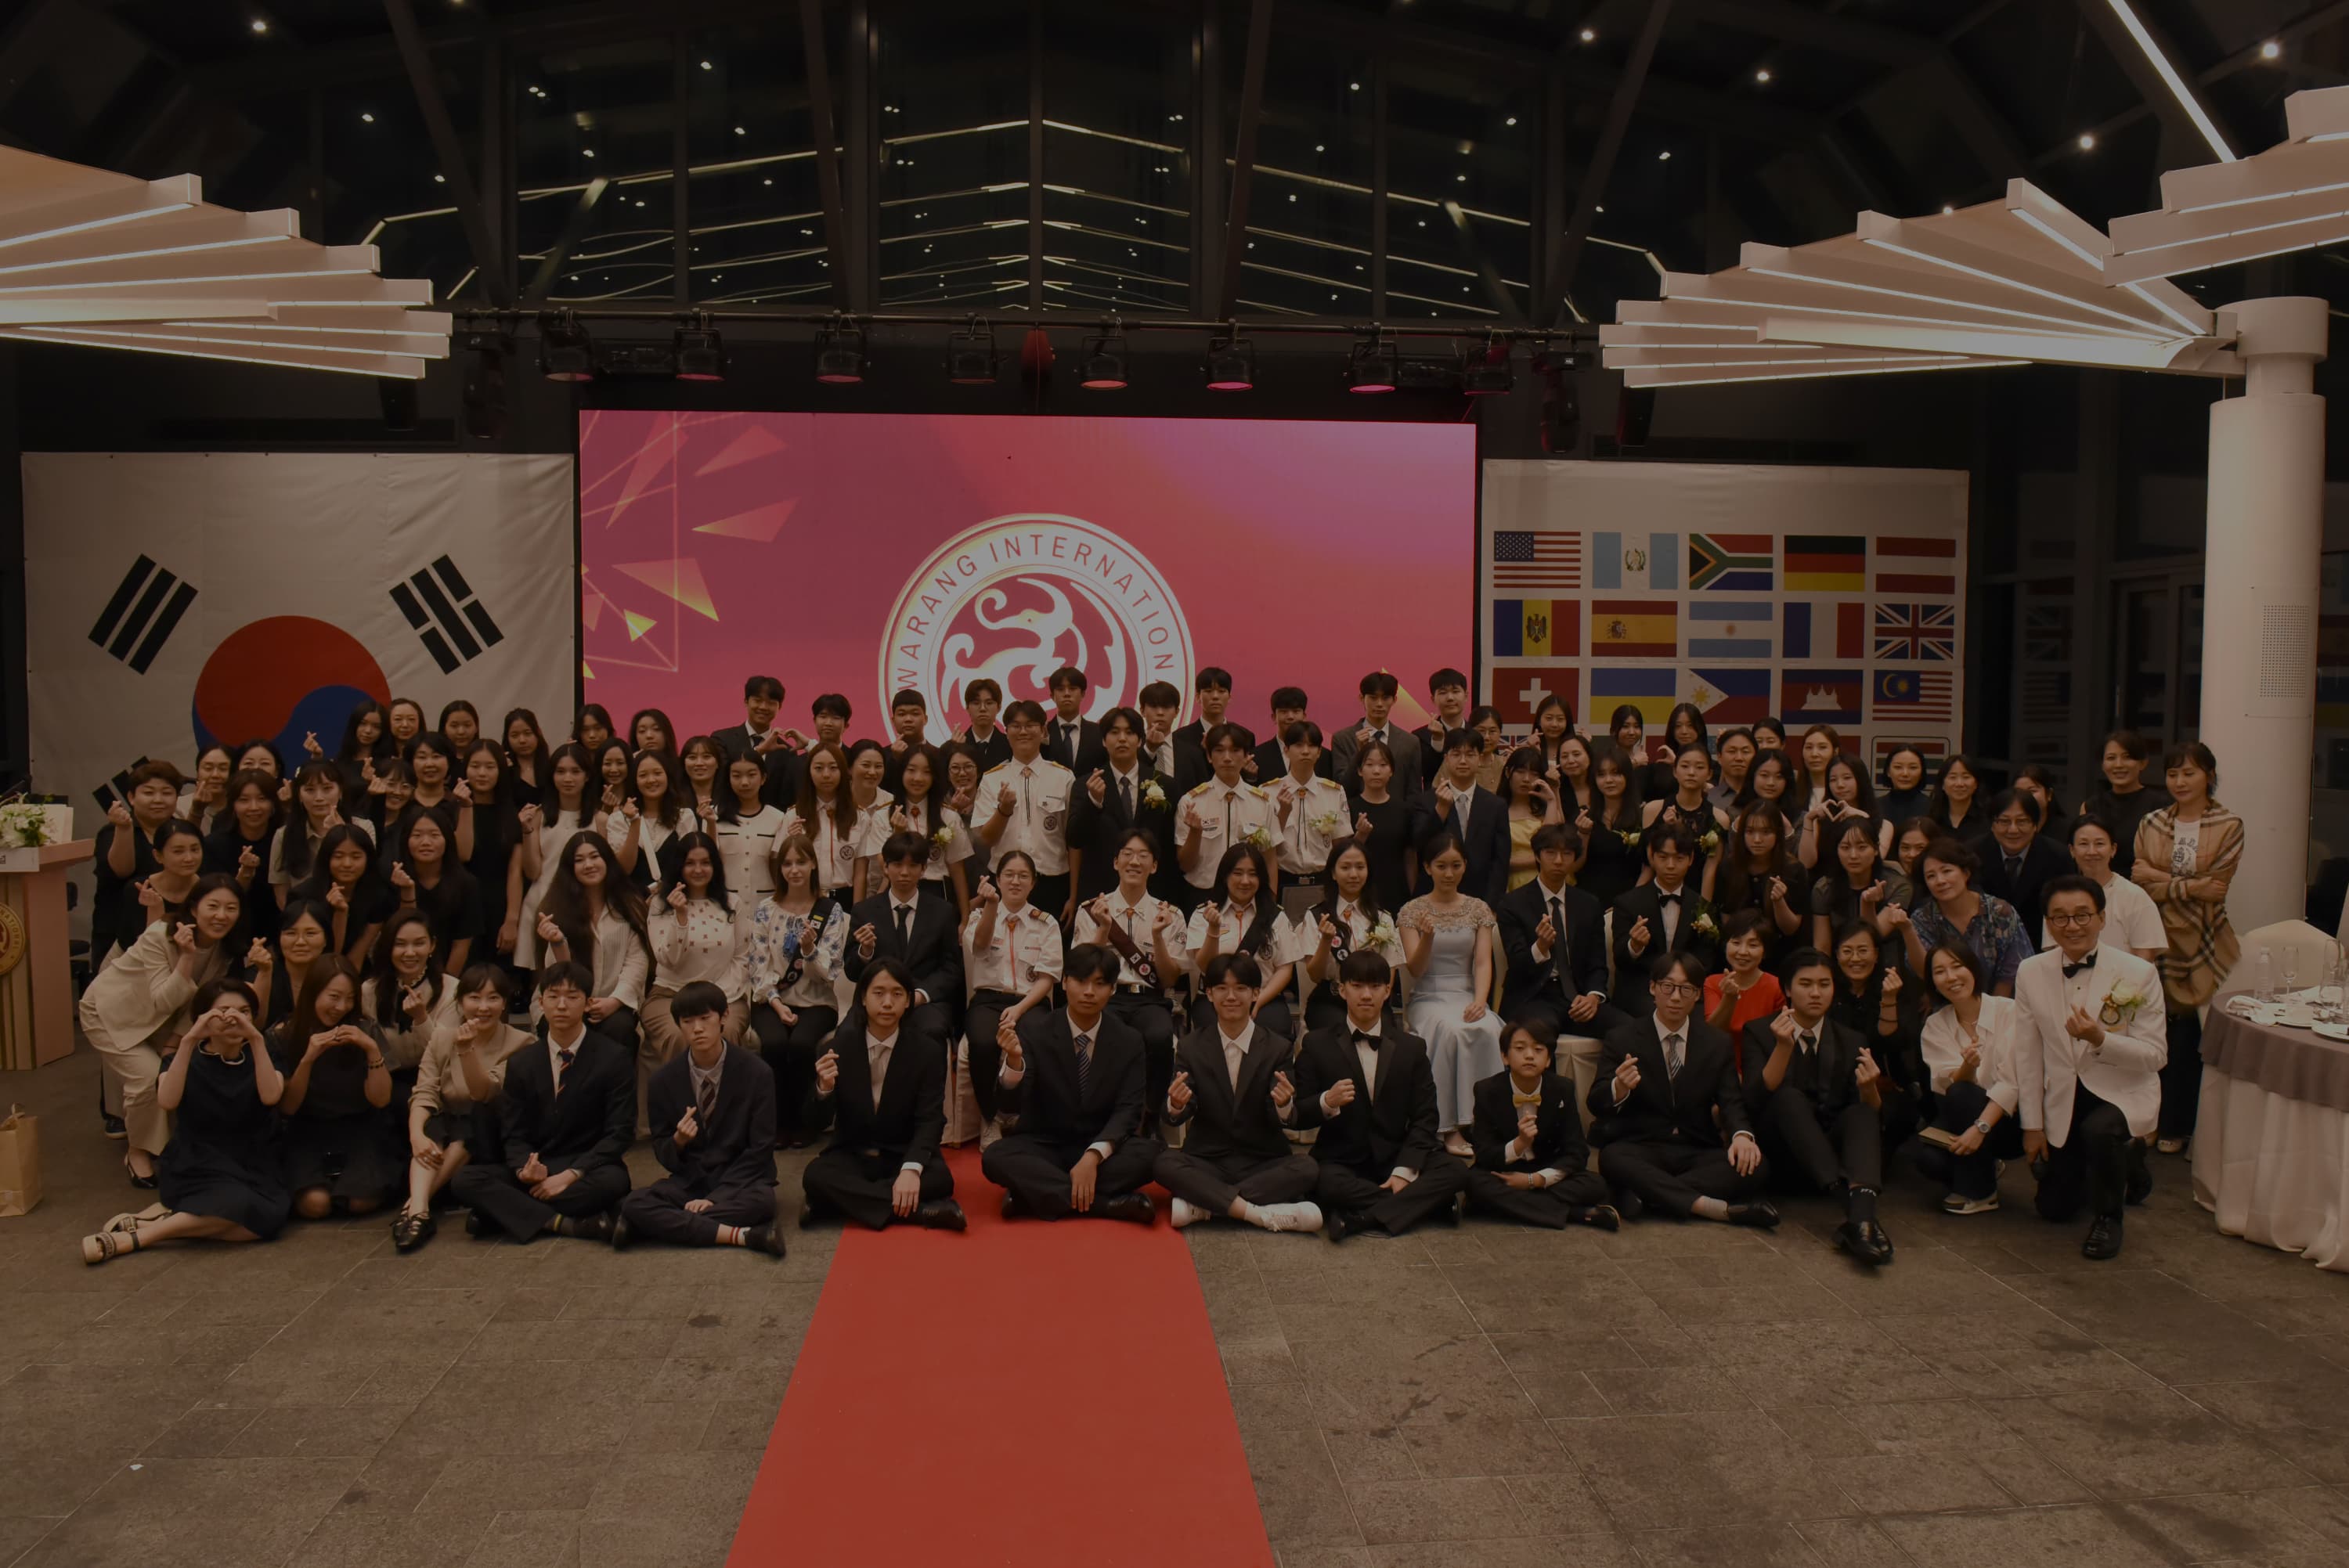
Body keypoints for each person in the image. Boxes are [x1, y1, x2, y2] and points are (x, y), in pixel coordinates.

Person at [81, 979, 289, 1265]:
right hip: (198, 1161)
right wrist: (189, 1039)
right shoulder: (184, 1057)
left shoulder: (264, 1052)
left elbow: (271, 1096)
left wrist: (255, 1039)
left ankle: (159, 1225)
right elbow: (167, 1101)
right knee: (238, 1206)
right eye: (224, 1012)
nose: (234, 1019)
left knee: (269, 1221)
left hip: (253, 1159)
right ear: (203, 1018)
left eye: (244, 1012)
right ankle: (135, 1239)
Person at [2015, 877, 2165, 1260]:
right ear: (2048, 923)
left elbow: (2155, 1055)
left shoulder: (2138, 973)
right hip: (2066, 1094)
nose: (2072, 926)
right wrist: (2032, 1126)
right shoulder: (2031, 971)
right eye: (2061, 918)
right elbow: (2028, 1054)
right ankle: (2126, 1164)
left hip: (2121, 1091)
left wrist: (2101, 1039)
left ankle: (2109, 1218)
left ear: (2101, 918)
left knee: (2099, 1132)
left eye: (2082, 915)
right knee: (2054, 1210)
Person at [1286, 950, 1470, 1241]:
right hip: (1343, 1160)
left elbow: (1426, 1117)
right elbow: (1297, 1115)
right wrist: (1327, 1102)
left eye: (1375, 987)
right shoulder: (1317, 1043)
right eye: (1358, 986)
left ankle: (1361, 1218)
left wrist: (1404, 1171)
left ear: (1387, 991)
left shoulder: (1412, 1048)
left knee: (1456, 1171)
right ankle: (1427, 1207)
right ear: (1342, 989)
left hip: (1397, 1154)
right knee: (1322, 1182)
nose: (1366, 995)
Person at [449, 961, 634, 1243]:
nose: (562, 1005)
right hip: (539, 1166)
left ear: (588, 1003)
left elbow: (619, 1133)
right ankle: (562, 1223)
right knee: (466, 1180)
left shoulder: (613, 1057)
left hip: (587, 1167)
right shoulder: (522, 1062)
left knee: (615, 1183)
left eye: (572, 997)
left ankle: (500, 1214)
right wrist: (525, 1169)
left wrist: (569, 1176)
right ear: (540, 1002)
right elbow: (513, 1132)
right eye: (553, 996)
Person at [1586, 952, 1775, 1227]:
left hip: (1695, 1148)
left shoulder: (1716, 1043)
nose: (1676, 997)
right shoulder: (1623, 1037)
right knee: (1613, 1158)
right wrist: (1619, 1087)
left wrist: (1742, 1135)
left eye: (1686, 989)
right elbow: (1596, 1102)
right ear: (1653, 988)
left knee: (1756, 1165)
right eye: (1668, 987)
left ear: (1697, 994)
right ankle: (1711, 1208)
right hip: (1642, 1146)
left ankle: (1644, 1193)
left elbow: (1731, 1101)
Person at [80, 875, 244, 1186]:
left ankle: (174, 1147)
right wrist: (186, 957)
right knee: (146, 1079)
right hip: (109, 1012)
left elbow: (202, 1004)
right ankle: (138, 1151)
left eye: (231, 908)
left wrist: (176, 1042)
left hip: (160, 1021)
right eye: (213, 906)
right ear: (194, 909)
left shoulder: (226, 950)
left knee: (178, 1072)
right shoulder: (160, 935)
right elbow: (163, 999)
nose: (221, 915)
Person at [982, 943, 1162, 1222]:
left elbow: (1129, 1112)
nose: (1089, 992)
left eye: (1100, 984)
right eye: (1080, 981)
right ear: (1064, 982)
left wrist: (1092, 1157)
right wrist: (1015, 1064)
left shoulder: (1129, 1040)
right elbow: (1008, 1107)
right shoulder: (1036, 1031)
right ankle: (1108, 1205)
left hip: (1101, 1147)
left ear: (1113, 989)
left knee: (1154, 1155)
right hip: (1045, 1144)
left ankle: (1034, 1196)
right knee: (994, 1157)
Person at [1738, 948, 1894, 1263]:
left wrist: (1869, 1091)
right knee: (1788, 1097)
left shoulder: (1850, 1039)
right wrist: (1783, 1048)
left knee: (1863, 1110)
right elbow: (1753, 1100)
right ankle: (1855, 1210)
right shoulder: (1759, 1031)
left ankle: (1860, 1221)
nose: (1815, 993)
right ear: (1787, 989)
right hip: (1780, 1152)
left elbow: (1866, 1120)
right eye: (1805, 984)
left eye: (1824, 984)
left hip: (1830, 1152)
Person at [614, 980, 788, 1253]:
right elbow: (662, 1150)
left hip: (740, 1178)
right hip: (691, 1179)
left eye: (705, 1018)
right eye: (687, 1021)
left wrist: (717, 1198)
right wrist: (679, 1141)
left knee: (762, 1203)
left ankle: (654, 1226)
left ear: (724, 1017)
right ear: (679, 1025)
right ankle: (741, 1235)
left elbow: (761, 1148)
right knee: (634, 1203)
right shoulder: (663, 1080)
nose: (697, 1029)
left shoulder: (757, 1073)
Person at [1155, 953, 1324, 1232]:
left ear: (1256, 993)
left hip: (1261, 1160)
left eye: (1241, 988)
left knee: (1308, 1169)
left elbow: (1285, 1118)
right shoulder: (1191, 1046)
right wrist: (1175, 1105)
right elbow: (1178, 1113)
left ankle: (1208, 1206)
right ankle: (1256, 1214)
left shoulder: (1278, 1047)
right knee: (1163, 1162)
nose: (1231, 996)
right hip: (1207, 1159)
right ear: (1209, 994)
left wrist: (1283, 1106)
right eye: (1221, 988)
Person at [2132, 741, 2240, 1155]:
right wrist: (2193, 885)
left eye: (2190, 773)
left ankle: (2178, 1124)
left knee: (2188, 1039)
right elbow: (2140, 880)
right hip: (2154, 938)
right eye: (2174, 774)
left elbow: (2218, 890)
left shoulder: (2229, 825)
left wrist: (2162, 879)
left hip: (2203, 941)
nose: (2180, 782)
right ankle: (2145, 1120)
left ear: (2209, 776)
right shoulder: (2153, 822)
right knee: (2150, 1030)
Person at [801, 961, 963, 1232]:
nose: (888, 1002)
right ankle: (920, 1212)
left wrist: (911, 1170)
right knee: (815, 1175)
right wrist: (824, 1089)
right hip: (853, 1153)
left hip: (901, 1150)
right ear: (863, 998)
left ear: (908, 1001)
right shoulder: (834, 1049)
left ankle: (834, 1204)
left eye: (897, 994)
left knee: (940, 1179)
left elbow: (931, 1119)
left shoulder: (927, 1051)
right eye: (879, 993)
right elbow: (813, 1123)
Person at [396, 964, 531, 1250]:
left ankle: (413, 1207)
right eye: (474, 998)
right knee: (430, 1122)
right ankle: (419, 1209)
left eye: (493, 998)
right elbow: (425, 1090)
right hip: (444, 1127)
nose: (483, 1007)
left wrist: (466, 1050)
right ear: (460, 1003)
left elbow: (485, 1092)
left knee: (472, 1120)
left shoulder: (522, 1043)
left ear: (505, 1003)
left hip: (489, 1131)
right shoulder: (441, 1037)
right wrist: (416, 1135)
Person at [1072, 830, 1188, 1126]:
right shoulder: (1091, 910)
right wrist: (1102, 929)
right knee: (1103, 1036)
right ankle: (1098, 1116)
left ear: (1155, 866)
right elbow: (1082, 969)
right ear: (1115, 862)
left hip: (1149, 1001)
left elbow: (1170, 977)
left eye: (1143, 856)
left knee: (1160, 1037)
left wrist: (1159, 937)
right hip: (1103, 999)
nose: (1134, 861)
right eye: (1127, 854)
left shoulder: (1170, 914)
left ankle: (1150, 1116)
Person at [271, 956, 400, 1220]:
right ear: (313, 992)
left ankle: (348, 1187)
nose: (341, 1007)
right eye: (333, 996)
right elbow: (288, 1107)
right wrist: (308, 1059)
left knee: (360, 1203)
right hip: (307, 1128)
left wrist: (371, 1050)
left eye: (350, 998)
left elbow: (381, 1099)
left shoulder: (366, 1029)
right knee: (315, 1205)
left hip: (361, 1126)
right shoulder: (282, 1034)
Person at [1399, 832, 1504, 1157]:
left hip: (1468, 993)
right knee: (1449, 1031)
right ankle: (1448, 1127)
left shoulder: (1479, 909)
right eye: (1441, 866)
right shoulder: (1411, 911)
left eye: (1455, 865)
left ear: (1465, 867)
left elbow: (1484, 962)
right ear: (1428, 868)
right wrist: (1428, 938)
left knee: (1488, 1028)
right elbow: (1415, 969)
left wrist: (1480, 1000)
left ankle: (1488, 1122)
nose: (1448, 873)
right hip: (1428, 996)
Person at [743, 832, 850, 1148]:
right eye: (787, 864)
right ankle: (777, 1123)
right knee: (774, 1044)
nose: (794, 870)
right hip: (771, 1000)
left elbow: (827, 973)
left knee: (803, 1045)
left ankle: (807, 1121)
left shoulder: (831, 912)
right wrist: (776, 1004)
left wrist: (809, 950)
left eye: (801, 862)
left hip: (816, 1001)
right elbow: (757, 964)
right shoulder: (766, 909)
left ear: (813, 865)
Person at [1466, 1016, 1616, 1230]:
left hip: (1546, 1171)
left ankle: (1504, 1206)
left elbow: (1577, 1152)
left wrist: (1534, 1180)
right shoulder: (1486, 1090)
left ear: (1548, 1060)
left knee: (1596, 1184)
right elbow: (1485, 1153)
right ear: (1504, 1056)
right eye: (1520, 1048)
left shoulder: (1562, 1088)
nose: (1529, 1056)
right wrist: (1518, 1145)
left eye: (1538, 1050)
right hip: (1505, 1171)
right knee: (1474, 1183)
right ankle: (1576, 1214)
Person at [642, 834, 749, 1131]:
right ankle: (682, 1121)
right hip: (669, 994)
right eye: (690, 863)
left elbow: (742, 957)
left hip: (725, 994)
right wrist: (680, 917)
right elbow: (667, 959)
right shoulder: (660, 905)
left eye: (705, 862)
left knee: (722, 1033)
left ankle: (728, 1123)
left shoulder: (732, 903)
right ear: (679, 866)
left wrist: (721, 999)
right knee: (680, 1037)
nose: (698, 869)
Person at [1910, 942, 2025, 1214]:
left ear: (1973, 969)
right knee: (1928, 1159)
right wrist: (1967, 1067)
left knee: (1963, 1094)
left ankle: (1981, 1193)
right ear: (1933, 982)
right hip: (1962, 1111)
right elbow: (1946, 1084)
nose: (1950, 977)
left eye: (1957, 966)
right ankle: (1985, 1166)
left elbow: (2014, 1083)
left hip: (2010, 1119)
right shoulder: (1936, 1025)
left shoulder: (2010, 1012)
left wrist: (1980, 1129)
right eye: (1939, 972)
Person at [1496, 824, 1620, 1076]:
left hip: (1577, 996)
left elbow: (1598, 963)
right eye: (1551, 852)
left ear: (1575, 858)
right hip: (1534, 996)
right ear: (1538, 855)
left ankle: (1607, 1097)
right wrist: (1540, 948)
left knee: (1628, 1030)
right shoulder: (1513, 903)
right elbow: (1517, 966)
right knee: (1538, 1037)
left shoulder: (1588, 904)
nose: (1558, 860)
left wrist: (1594, 997)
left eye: (1566, 854)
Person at [963, 851, 1065, 1139]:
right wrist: (992, 907)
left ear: (1033, 882)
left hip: (1030, 1001)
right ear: (998, 879)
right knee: (982, 1043)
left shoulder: (1047, 924)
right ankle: (990, 1118)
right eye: (1009, 875)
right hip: (988, 1000)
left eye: (1023, 876)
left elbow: (1047, 979)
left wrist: (1020, 1009)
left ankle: (1024, 1116)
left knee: (1036, 1038)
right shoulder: (979, 918)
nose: (1015, 881)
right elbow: (980, 947)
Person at [532, 831, 651, 1047]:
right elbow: (556, 974)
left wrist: (614, 1001)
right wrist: (557, 943)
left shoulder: (630, 905)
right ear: (570, 868)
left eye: (595, 857)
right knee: (555, 1026)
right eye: (579, 860)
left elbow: (637, 963)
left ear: (607, 860)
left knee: (620, 1028)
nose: (589, 865)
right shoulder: (554, 909)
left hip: (615, 1000)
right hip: (564, 1001)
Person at [844, 831, 965, 1041]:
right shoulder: (864, 911)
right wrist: (865, 951)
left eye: (913, 866)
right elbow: (852, 972)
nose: (904, 873)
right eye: (897, 865)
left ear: (924, 869)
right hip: (877, 1000)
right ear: (885, 868)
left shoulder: (943, 912)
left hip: (924, 1000)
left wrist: (920, 995)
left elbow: (952, 969)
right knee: (847, 1033)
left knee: (932, 1031)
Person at [974, 701, 1077, 921]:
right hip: (1004, 882)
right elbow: (986, 839)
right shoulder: (992, 779)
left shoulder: (1064, 777)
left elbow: (1074, 841)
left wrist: (1074, 894)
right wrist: (1003, 810)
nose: (1023, 731)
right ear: (1006, 732)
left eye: (1030, 725)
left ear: (1043, 731)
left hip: (1052, 881)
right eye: (1015, 726)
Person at [1189, 843, 1301, 1042]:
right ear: (1225, 876)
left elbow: (1285, 969)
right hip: (1216, 999)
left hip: (1264, 998)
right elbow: (1205, 966)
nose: (1245, 881)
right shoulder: (1203, 914)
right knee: (1210, 1036)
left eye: (1253, 874)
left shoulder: (1276, 917)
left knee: (1277, 1032)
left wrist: (1257, 1001)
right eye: (1238, 873)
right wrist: (1213, 930)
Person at [1895, 837, 2033, 997]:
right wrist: (1907, 930)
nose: (1940, 881)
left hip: (2003, 1007)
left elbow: (2010, 974)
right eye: (1931, 876)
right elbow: (1924, 972)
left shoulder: (2000, 911)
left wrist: (1991, 1015)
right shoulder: (1923, 919)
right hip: (1947, 1006)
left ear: (1966, 873)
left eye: (1946, 871)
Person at [1609, 821, 1723, 1013]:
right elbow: (1621, 960)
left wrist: (1679, 986)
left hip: (1687, 991)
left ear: (1691, 859)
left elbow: (1706, 962)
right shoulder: (1627, 903)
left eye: (1679, 858)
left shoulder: (1704, 907)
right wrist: (1634, 946)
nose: (1670, 865)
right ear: (1651, 857)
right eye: (1663, 857)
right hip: (1641, 989)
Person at [1066, 706, 1174, 906]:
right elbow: (1075, 839)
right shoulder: (1085, 784)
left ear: (1140, 740)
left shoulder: (1164, 784)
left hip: (1153, 894)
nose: (1122, 739)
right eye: (1114, 732)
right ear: (1103, 740)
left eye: (1130, 732)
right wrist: (1093, 802)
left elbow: (1170, 843)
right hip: (1100, 893)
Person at [1299, 841, 1405, 1033]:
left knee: (1387, 1034)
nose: (1353, 874)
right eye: (1345, 867)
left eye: (1360, 867)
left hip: (1372, 1000)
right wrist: (1325, 941)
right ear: (1333, 873)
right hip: (1330, 1000)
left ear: (1368, 872)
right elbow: (1314, 975)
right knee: (1340, 1034)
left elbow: (1390, 972)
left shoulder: (1383, 918)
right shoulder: (1316, 916)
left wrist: (1374, 1000)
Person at [1177, 722, 1276, 910]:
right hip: (1203, 897)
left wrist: (1270, 902)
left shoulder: (1264, 802)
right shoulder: (1191, 802)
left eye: (1235, 750)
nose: (1227, 758)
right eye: (1219, 751)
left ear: (1247, 756)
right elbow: (1185, 865)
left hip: (1251, 897)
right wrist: (1195, 833)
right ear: (1208, 756)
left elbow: (1270, 857)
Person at [93, 759, 182, 967]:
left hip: (172, 936)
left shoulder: (181, 831)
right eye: (149, 793)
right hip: (119, 936)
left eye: (167, 793)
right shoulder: (112, 831)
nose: (158, 799)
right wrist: (123, 829)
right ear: (131, 798)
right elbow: (122, 871)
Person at [513, 744, 590, 970]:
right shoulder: (538, 816)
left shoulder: (601, 818)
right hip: (541, 902)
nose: (568, 778)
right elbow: (533, 871)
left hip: (584, 906)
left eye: (575, 771)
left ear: (587, 777)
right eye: (561, 771)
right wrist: (526, 831)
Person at [1409, 730, 1508, 903]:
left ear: (1479, 758)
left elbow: (1500, 862)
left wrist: (1491, 905)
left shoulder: (1496, 805)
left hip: (1480, 899)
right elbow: (1418, 845)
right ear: (1446, 758)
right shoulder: (1425, 801)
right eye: (1456, 754)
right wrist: (1441, 809)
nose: (1463, 761)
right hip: (1433, 897)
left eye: (1470, 754)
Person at [2049, 813, 2164, 963]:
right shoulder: (2059, 897)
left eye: (2099, 844)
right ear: (2072, 850)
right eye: (2084, 844)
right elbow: (2053, 953)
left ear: (2113, 849)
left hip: (2123, 983)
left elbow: (2145, 957)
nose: (2091, 852)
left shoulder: (2135, 897)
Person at [361, 910, 459, 1077]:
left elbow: (444, 1054)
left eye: (419, 943)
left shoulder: (452, 989)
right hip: (385, 1077)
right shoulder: (369, 990)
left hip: (436, 1078)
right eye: (400, 944)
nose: (410, 953)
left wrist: (421, 1018)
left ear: (432, 945)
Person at [1270, 720, 1351, 919]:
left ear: (1319, 752)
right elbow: (1266, 849)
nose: (1305, 751)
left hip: (1323, 882)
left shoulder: (1334, 792)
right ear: (1287, 751)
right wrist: (1283, 813)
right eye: (1298, 745)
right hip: (1283, 881)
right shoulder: (1268, 792)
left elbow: (1341, 845)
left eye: (1312, 746)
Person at [1708, 801, 1804, 967]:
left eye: (1766, 832)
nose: (1757, 839)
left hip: (1781, 956)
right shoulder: (1729, 867)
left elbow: (1791, 929)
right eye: (1750, 832)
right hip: (1737, 955)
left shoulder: (1793, 869)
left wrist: (1779, 902)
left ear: (1778, 834)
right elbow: (1727, 920)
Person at [1976, 788, 2077, 946]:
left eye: (2022, 821)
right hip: (1985, 946)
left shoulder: (2058, 857)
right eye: (2004, 821)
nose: (2013, 829)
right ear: (1992, 825)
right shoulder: (1973, 854)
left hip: (2040, 947)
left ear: (2035, 825)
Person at [886, 744, 974, 916]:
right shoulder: (884, 815)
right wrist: (898, 834)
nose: (918, 778)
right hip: (898, 893)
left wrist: (965, 917)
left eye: (926, 772)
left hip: (937, 893)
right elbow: (884, 866)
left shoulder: (948, 816)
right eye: (911, 770)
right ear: (901, 772)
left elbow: (957, 869)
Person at [388, 808, 478, 975]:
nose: (426, 842)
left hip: (451, 975)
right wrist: (406, 892)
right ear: (406, 840)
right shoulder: (394, 879)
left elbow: (462, 944)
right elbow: (402, 934)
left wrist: (444, 987)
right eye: (417, 836)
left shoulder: (466, 883)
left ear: (448, 840)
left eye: (434, 835)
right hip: (403, 968)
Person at [290, 823, 394, 961]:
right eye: (338, 856)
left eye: (356, 857)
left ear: (368, 860)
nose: (347, 864)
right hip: (309, 964)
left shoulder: (378, 896)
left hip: (353, 968)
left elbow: (359, 953)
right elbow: (330, 957)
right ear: (327, 859)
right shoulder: (302, 895)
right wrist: (340, 914)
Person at [780, 741, 863, 899]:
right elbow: (781, 865)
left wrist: (857, 911)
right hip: (805, 897)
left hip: (845, 897)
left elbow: (860, 871)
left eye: (833, 768)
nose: (826, 775)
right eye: (818, 768)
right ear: (809, 772)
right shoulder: (793, 816)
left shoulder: (859, 816)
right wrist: (792, 841)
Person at [1810, 816, 1903, 953]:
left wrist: (1868, 904)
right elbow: (1822, 946)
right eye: (1845, 847)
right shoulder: (1824, 888)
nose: (1853, 855)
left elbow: (1873, 938)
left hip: (1885, 961)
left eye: (1862, 847)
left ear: (1876, 849)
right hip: (1840, 961)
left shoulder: (1897, 885)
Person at [2084, 729, 2170, 879]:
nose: (2118, 765)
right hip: (2101, 890)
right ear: (2103, 765)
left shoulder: (2161, 805)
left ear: (2143, 763)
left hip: (2147, 890)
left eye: (2127, 757)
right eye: (2111, 758)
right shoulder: (2091, 806)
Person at [204, 769, 281, 935]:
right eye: (244, 800)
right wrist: (245, 875)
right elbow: (217, 903)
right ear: (233, 805)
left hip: (282, 929)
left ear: (273, 804)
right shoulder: (214, 845)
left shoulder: (286, 839)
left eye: (262, 799)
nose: (253, 808)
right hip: (232, 931)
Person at [1344, 737, 1415, 914]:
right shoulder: (1348, 807)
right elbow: (1342, 857)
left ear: (1391, 771)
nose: (1376, 771)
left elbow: (1410, 856)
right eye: (1370, 765)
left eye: (1383, 765)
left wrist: (1413, 896)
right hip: (1359, 891)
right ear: (1360, 771)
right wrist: (1360, 836)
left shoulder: (1404, 809)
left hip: (1396, 891)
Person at [1641, 741, 1727, 887]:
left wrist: (1703, 909)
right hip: (1656, 894)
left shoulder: (1719, 818)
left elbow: (1710, 870)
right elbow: (1648, 865)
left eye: (1699, 767)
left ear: (1709, 774)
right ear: (1675, 771)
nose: (1691, 773)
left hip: (1696, 895)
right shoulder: (1653, 809)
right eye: (1685, 766)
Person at [711, 675, 804, 809]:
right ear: (746, 701)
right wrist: (760, 751)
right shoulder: (721, 739)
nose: (763, 707)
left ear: (780, 707)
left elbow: (786, 799)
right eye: (757, 700)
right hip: (728, 818)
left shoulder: (787, 752)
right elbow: (720, 778)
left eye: (771, 702)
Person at [1333, 672, 1423, 798]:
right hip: (1355, 815)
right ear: (1361, 698)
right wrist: (1360, 754)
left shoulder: (1410, 742)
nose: (1379, 704)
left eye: (1385, 698)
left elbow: (1414, 793)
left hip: (1397, 816)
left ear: (1394, 700)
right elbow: (1340, 789)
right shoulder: (1342, 739)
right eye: (1373, 698)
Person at [1701, 910, 1784, 1044]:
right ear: (1725, 946)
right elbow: (1712, 1033)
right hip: (1720, 1060)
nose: (1742, 952)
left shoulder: (1777, 987)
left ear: (1765, 952)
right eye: (1736, 943)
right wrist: (1729, 998)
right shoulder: (1712, 983)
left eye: (1753, 945)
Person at [1575, 747, 1643, 910]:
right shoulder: (1585, 816)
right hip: (1589, 902)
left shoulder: (1642, 817)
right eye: (1601, 775)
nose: (1609, 780)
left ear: (1627, 775)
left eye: (1616, 773)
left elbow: (1649, 868)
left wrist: (1629, 902)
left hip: (1630, 903)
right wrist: (1583, 834)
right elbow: (1574, 867)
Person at [1499, 746, 1567, 893]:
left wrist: (1552, 801)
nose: (1526, 779)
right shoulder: (1496, 809)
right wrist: (1538, 861)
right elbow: (1494, 858)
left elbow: (1551, 843)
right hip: (1511, 884)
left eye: (1534, 773)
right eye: (1520, 772)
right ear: (1507, 772)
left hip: (1549, 882)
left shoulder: (1547, 807)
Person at [1410, 668, 1468, 789]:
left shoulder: (1479, 734)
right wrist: (1437, 741)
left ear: (1466, 696)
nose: (1450, 698)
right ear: (1433, 699)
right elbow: (1426, 773)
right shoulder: (1419, 736)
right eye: (1443, 693)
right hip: (1434, 804)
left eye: (1455, 691)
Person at [1042, 665, 1106, 775]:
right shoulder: (1042, 732)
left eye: (1072, 688)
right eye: (1061, 689)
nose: (1067, 694)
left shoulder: (1099, 732)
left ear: (1083, 694)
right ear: (1052, 696)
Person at [956, 677, 1012, 775]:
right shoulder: (956, 746)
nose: (982, 709)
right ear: (967, 708)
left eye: (989, 703)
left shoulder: (1010, 746)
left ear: (999, 707)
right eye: (976, 703)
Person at [1925, 755, 1988, 842]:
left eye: (1966, 777)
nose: (1959, 784)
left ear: (1976, 784)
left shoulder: (1989, 819)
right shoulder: (1931, 819)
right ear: (1942, 784)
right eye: (1953, 777)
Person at [1878, 745, 1932, 824]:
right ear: (1888, 772)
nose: (1905, 773)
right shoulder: (1875, 807)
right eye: (1898, 767)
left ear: (1922, 773)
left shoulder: (1933, 808)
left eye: (1913, 768)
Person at [1709, 728, 1756, 815]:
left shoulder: (1763, 796)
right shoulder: (1708, 798)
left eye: (1745, 752)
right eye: (1732, 751)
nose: (1739, 758)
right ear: (1719, 757)